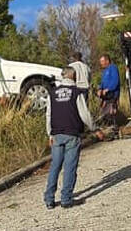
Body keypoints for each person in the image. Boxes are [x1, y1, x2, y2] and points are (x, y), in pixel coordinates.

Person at [44, 66, 97, 209]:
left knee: (55, 166)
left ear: (62, 76)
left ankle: (49, 199)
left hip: (56, 134)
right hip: (72, 134)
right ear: (73, 77)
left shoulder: (52, 93)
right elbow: (84, 114)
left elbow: (48, 115)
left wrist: (50, 133)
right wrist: (94, 128)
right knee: (69, 167)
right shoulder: (76, 92)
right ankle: (66, 199)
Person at [96, 54, 120, 128]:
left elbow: (115, 81)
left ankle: (113, 127)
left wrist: (108, 89)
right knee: (104, 110)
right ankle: (106, 126)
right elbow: (103, 82)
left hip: (112, 94)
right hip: (105, 96)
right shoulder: (104, 71)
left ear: (107, 61)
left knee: (111, 110)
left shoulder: (113, 68)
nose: (101, 63)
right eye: (100, 61)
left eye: (102, 61)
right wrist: (100, 89)